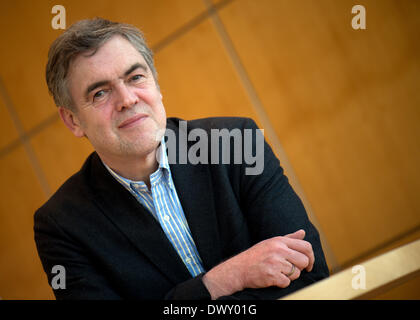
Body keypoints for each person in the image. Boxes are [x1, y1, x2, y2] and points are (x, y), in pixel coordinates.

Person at [34, 18, 329, 300]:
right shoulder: (62, 225)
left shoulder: (236, 143)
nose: (127, 99)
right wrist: (224, 279)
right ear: (73, 120)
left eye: (135, 77)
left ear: (156, 84)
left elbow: (309, 275)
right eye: (100, 93)